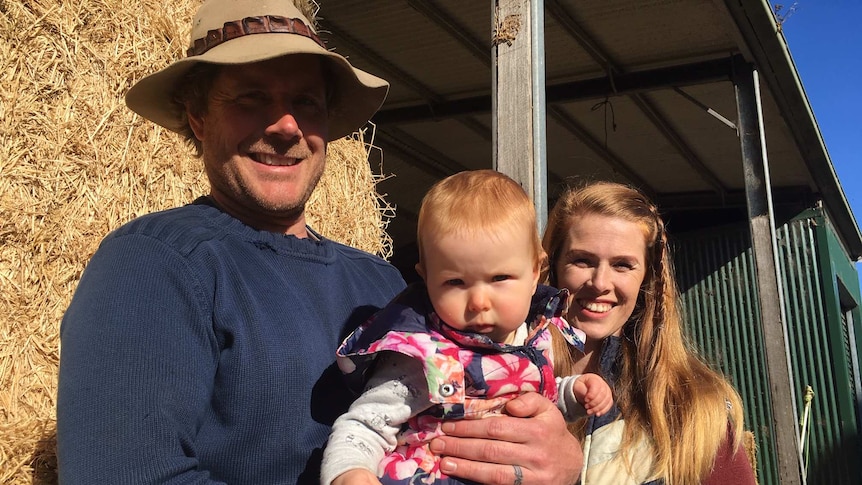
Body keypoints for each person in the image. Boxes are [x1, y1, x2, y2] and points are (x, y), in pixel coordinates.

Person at [56, 0, 585, 483]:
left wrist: (560, 458)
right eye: (252, 98)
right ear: (198, 116)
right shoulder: (159, 262)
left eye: (306, 103)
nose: (286, 125)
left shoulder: (380, 281)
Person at [320, 170, 613, 485]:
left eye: (500, 278)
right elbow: (366, 425)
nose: (479, 301)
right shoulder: (422, 355)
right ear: (427, 278)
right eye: (455, 282)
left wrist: (573, 394)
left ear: (534, 273)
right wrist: (350, 472)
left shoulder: (534, 339)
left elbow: (541, 402)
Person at [542, 180, 758, 485]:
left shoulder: (696, 410)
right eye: (582, 260)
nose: (600, 282)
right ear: (553, 266)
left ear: (648, 281)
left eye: (622, 265)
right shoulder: (499, 382)